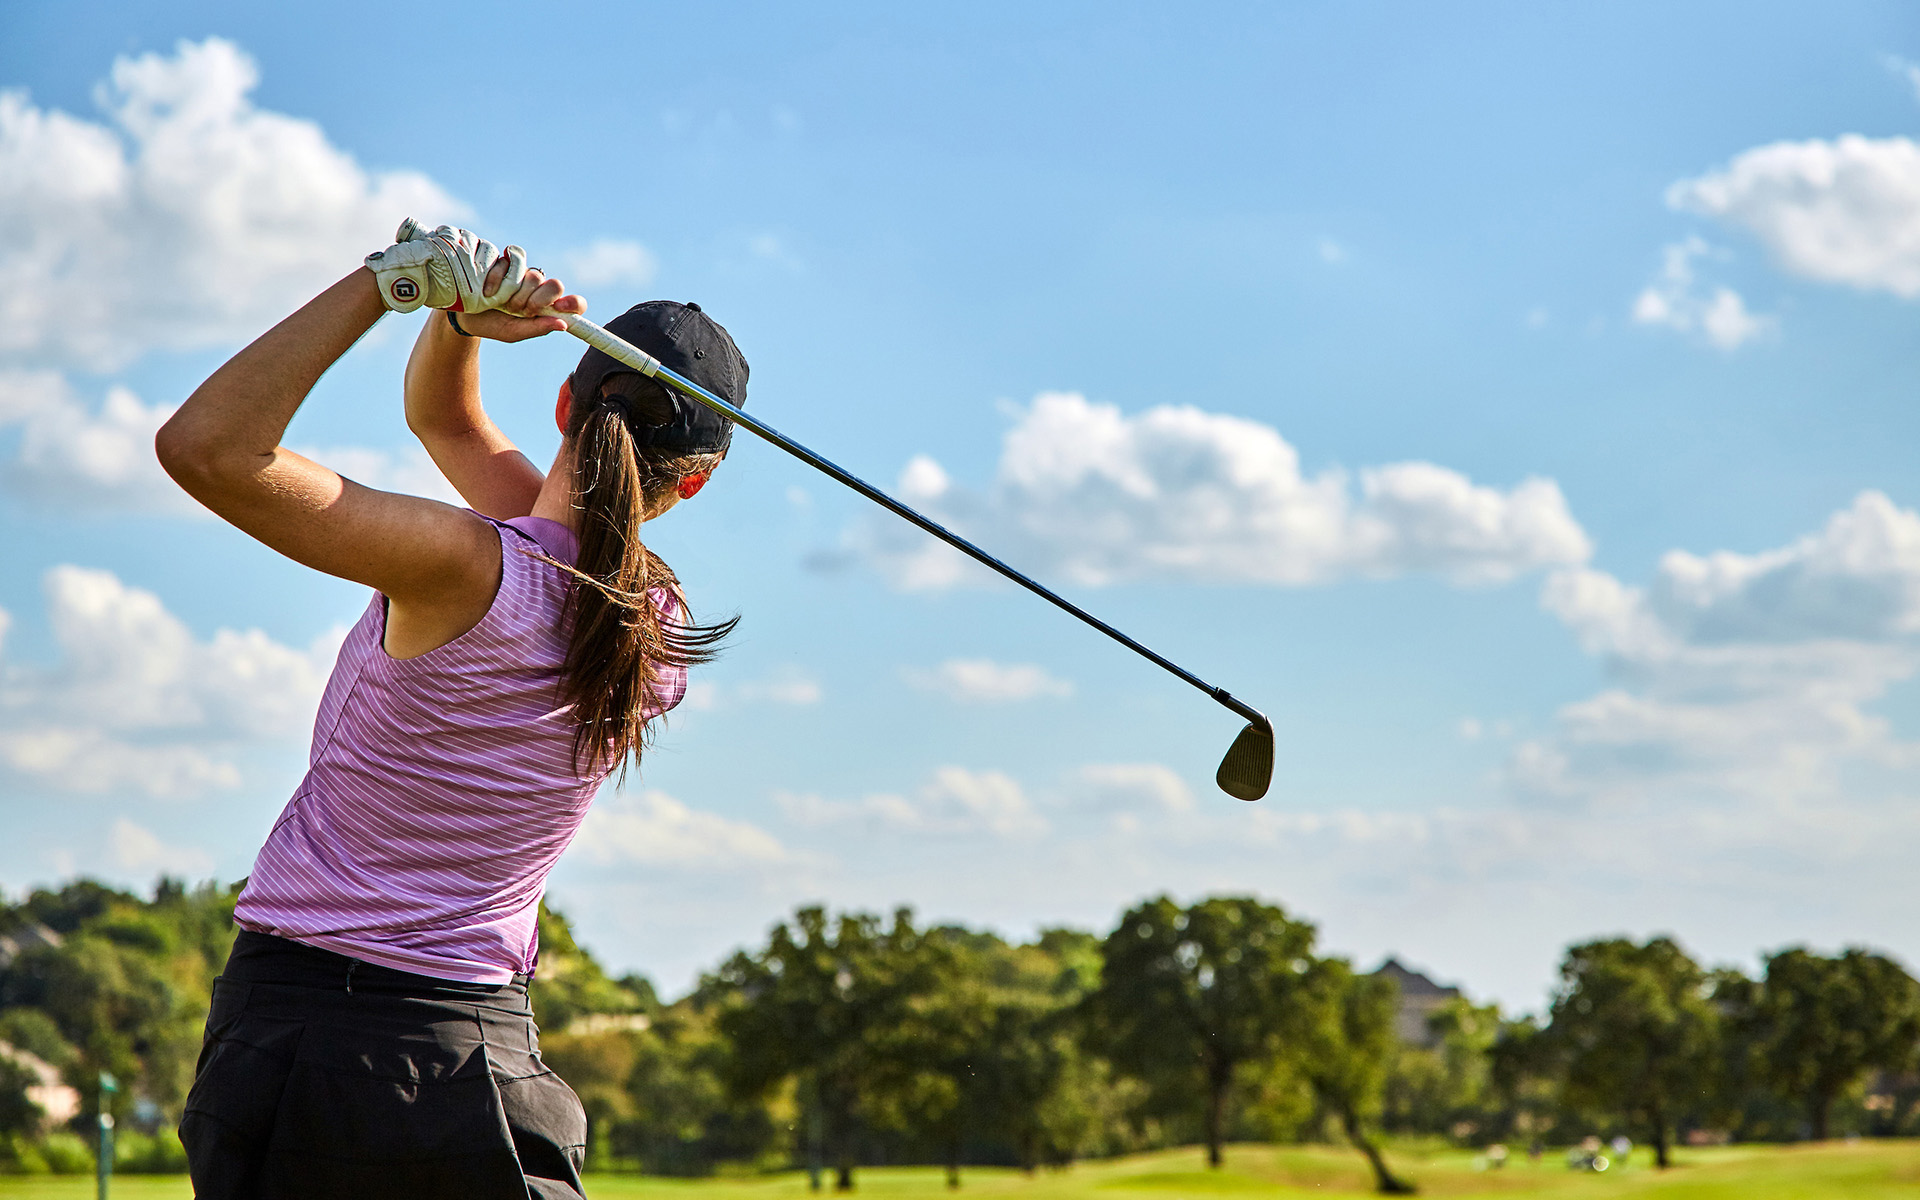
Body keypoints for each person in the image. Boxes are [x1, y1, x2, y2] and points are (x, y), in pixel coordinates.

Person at [156, 223, 747, 1199]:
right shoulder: (654, 623)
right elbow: (449, 422)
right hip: (487, 1057)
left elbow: (208, 450)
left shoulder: (462, 567)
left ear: (564, 404)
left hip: (304, 1037)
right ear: (697, 477)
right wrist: (457, 324)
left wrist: (392, 287)